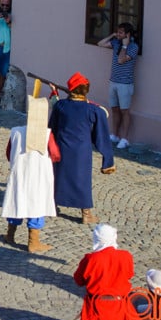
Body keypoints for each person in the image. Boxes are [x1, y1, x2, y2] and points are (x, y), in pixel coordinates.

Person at [49, 72, 116, 224]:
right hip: (81, 151)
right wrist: (108, 160)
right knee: (82, 180)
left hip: (61, 148)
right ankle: (86, 213)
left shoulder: (60, 106)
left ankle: (52, 206)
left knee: (58, 177)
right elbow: (102, 137)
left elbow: (52, 127)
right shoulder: (93, 110)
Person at [73, 224, 143, 320]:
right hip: (119, 305)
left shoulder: (90, 259)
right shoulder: (126, 256)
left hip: (96, 306)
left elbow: (78, 280)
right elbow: (129, 274)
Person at [1, 95, 60, 253]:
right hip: (39, 176)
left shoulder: (16, 132)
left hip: (20, 173)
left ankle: (10, 235)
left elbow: (9, 153)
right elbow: (55, 155)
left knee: (17, 201)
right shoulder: (47, 134)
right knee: (37, 205)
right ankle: (33, 242)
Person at [96, 22, 138, 150]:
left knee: (125, 111)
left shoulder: (133, 47)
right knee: (114, 109)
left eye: (121, 32)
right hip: (113, 81)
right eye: (118, 32)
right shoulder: (116, 43)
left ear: (127, 35)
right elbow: (100, 44)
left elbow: (121, 60)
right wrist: (113, 35)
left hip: (125, 84)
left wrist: (124, 46)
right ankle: (114, 134)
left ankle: (125, 138)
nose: (118, 34)